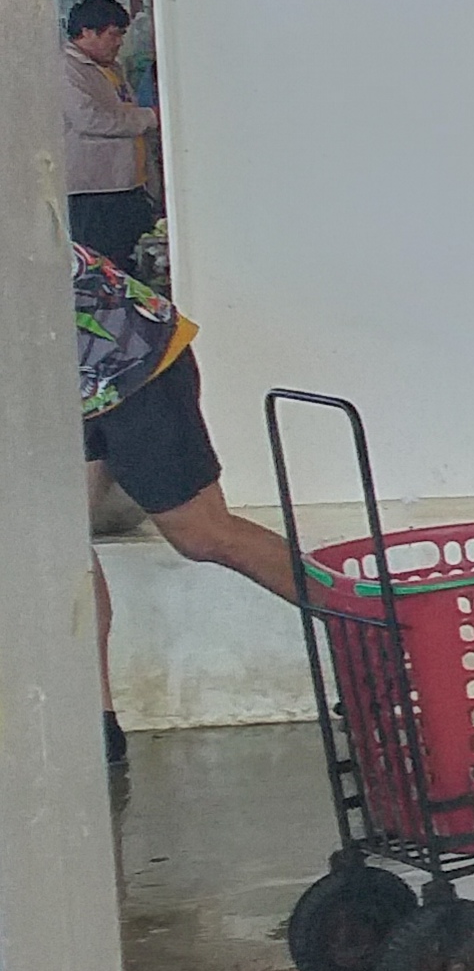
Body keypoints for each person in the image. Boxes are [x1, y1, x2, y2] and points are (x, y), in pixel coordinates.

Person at [68, 241, 329, 767]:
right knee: (55, 540)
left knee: (203, 534)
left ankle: (379, 633)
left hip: (132, 360)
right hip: (65, 379)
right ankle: (97, 724)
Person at [57, 0, 155, 266]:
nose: (119, 42)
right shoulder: (66, 69)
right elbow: (91, 119)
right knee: (103, 266)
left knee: (134, 261)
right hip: (94, 192)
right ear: (88, 32)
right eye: (113, 34)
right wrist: (148, 117)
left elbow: (123, 109)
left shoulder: (111, 68)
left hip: (127, 184)